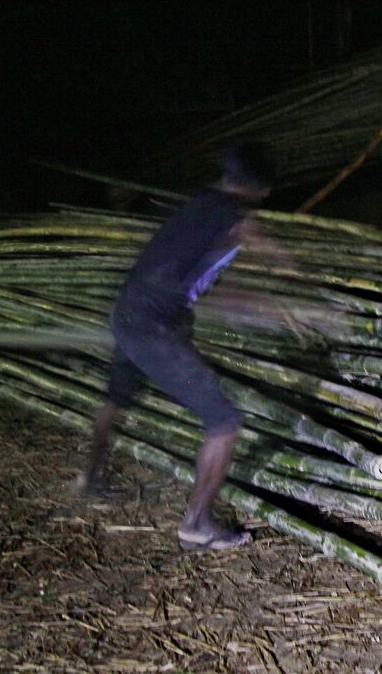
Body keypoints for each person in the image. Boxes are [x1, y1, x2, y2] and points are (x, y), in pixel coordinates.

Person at [79, 142, 288, 551]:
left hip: (128, 313)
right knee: (224, 420)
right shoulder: (233, 218)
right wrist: (287, 285)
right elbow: (254, 256)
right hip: (154, 327)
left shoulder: (202, 203)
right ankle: (196, 524)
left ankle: (89, 477)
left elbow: (202, 280)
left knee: (116, 398)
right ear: (260, 191)